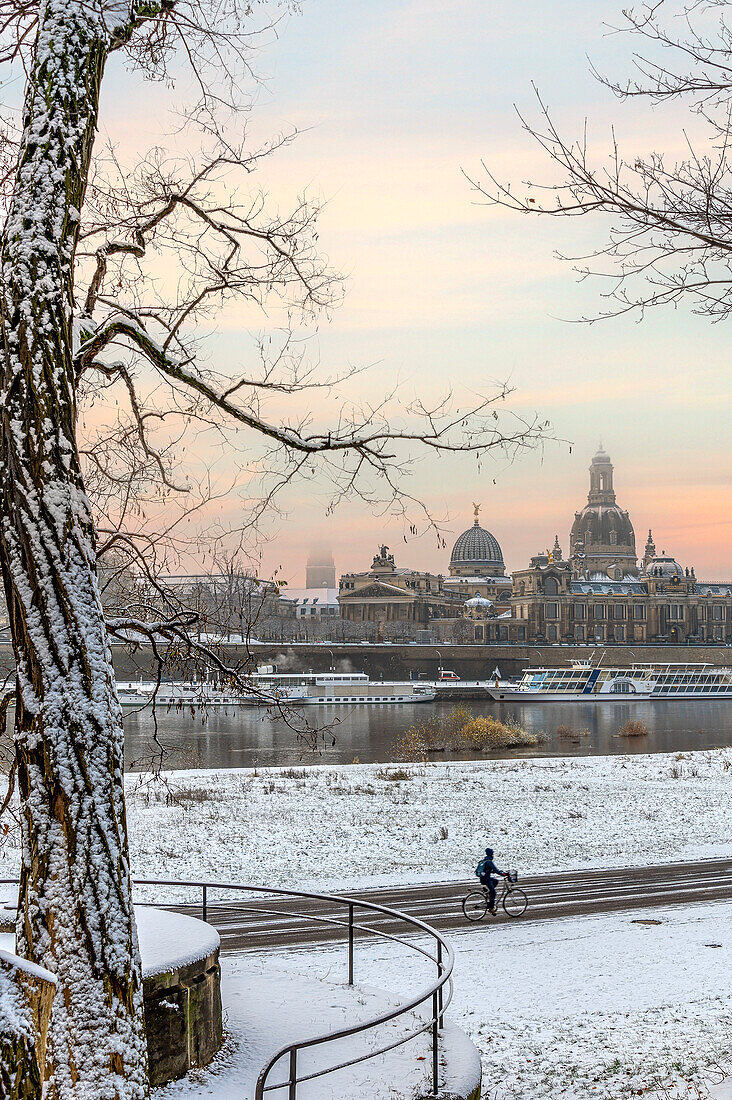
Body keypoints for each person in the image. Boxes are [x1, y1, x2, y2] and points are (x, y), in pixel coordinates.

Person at [479, 847, 506, 914]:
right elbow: (496, 870)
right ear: (491, 854)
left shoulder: (485, 860)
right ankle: (491, 908)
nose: (493, 855)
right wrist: (502, 874)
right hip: (486, 879)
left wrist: (493, 871)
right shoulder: (489, 861)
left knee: (496, 881)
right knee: (493, 893)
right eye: (493, 854)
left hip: (483, 879)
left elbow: (488, 870)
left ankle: (488, 891)